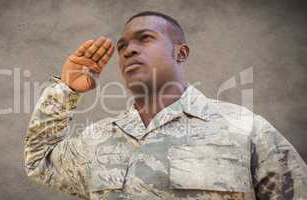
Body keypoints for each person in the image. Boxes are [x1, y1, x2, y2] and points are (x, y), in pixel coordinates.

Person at [24, 11, 307, 199]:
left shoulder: (245, 129)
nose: (129, 50)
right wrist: (66, 89)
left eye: (145, 38)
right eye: (122, 47)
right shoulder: (98, 139)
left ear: (180, 52)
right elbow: (39, 162)